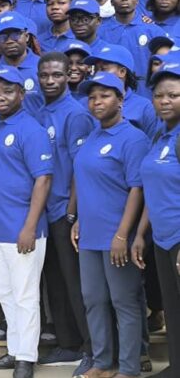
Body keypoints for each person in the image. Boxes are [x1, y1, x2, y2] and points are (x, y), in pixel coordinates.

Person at [0, 66, 53, 378]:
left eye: (8, 91)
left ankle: (26, 358)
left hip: (23, 230)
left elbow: (43, 180)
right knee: (5, 293)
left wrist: (30, 227)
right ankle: (13, 349)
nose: (1, 97)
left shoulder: (30, 129)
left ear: (21, 93)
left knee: (25, 295)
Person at [72, 71, 150, 378]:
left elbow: (138, 189)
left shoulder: (133, 138)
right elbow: (88, 181)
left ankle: (129, 369)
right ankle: (103, 363)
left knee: (125, 303)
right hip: (89, 236)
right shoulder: (93, 135)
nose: (96, 102)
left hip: (117, 237)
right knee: (94, 300)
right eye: (92, 97)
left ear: (121, 100)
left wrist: (122, 235)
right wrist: (77, 218)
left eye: (104, 96)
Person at [31, 53, 96, 375]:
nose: (50, 81)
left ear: (69, 75)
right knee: (54, 282)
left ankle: (92, 349)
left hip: (64, 211)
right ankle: (68, 343)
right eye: (44, 75)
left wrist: (72, 213)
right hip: (43, 210)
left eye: (56, 75)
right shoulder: (39, 109)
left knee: (77, 284)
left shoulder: (75, 114)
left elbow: (80, 169)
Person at [135, 57, 180, 378]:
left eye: (173, 95)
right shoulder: (160, 136)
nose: (164, 101)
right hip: (162, 239)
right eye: (159, 96)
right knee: (173, 309)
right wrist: (140, 233)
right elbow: (153, 187)